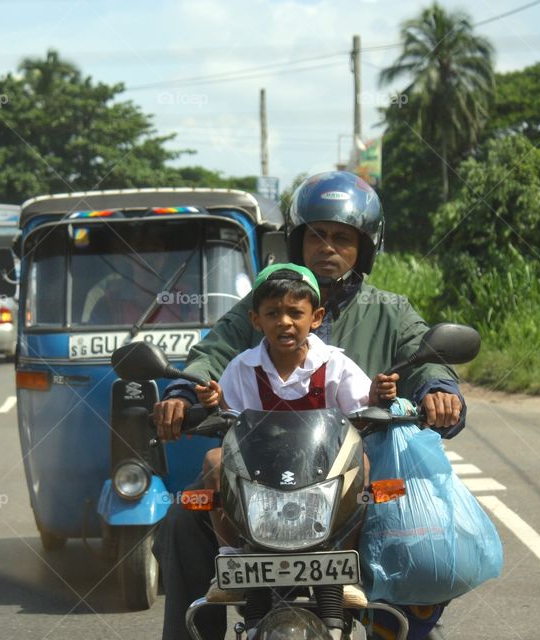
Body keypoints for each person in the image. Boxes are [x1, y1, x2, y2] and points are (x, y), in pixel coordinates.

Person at [152, 171, 465, 640]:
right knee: (182, 519)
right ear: (297, 243)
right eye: (316, 235)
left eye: (342, 237)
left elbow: (426, 359)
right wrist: (181, 394)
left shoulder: (390, 311)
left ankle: (399, 629)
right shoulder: (261, 306)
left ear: (365, 247)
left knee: (423, 520)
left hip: (353, 478)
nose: (328, 247)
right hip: (258, 478)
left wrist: (440, 391)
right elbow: (211, 356)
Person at [194, 262, 397, 553]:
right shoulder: (242, 367)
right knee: (214, 461)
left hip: (324, 469)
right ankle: (230, 555)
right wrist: (214, 402)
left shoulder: (335, 364)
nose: (284, 322)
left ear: (316, 318)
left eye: (295, 313)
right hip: (258, 472)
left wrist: (378, 395)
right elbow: (230, 422)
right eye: (273, 313)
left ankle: (344, 556)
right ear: (255, 319)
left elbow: (363, 413)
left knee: (361, 464)